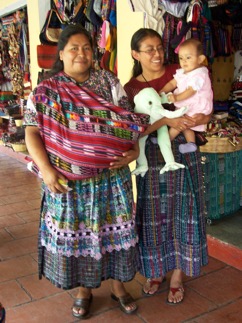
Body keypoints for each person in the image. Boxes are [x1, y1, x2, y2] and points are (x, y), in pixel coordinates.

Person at [24, 24, 141, 319]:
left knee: (115, 232)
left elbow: (129, 124)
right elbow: (31, 132)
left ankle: (117, 287)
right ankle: (83, 291)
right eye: (74, 48)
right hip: (68, 184)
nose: (81, 53)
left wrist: (135, 150)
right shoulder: (46, 90)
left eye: (87, 48)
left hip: (111, 179)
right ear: (61, 53)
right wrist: (47, 171)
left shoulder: (109, 82)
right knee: (78, 236)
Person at [124, 28, 209, 305]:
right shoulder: (131, 89)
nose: (157, 54)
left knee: (186, 208)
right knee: (154, 213)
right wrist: (168, 122)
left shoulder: (181, 70)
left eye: (160, 47)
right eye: (149, 49)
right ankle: (156, 271)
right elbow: (135, 129)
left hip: (184, 149)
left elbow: (205, 102)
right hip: (151, 154)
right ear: (135, 54)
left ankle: (177, 276)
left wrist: (202, 115)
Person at [159, 38, 213, 154]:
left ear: (200, 59)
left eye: (188, 58)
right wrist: (161, 91)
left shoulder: (199, 74)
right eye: (181, 58)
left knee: (179, 123)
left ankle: (165, 140)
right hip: (189, 105)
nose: (184, 62)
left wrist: (176, 98)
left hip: (197, 106)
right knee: (185, 125)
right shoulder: (182, 72)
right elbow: (172, 83)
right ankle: (191, 144)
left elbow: (191, 91)